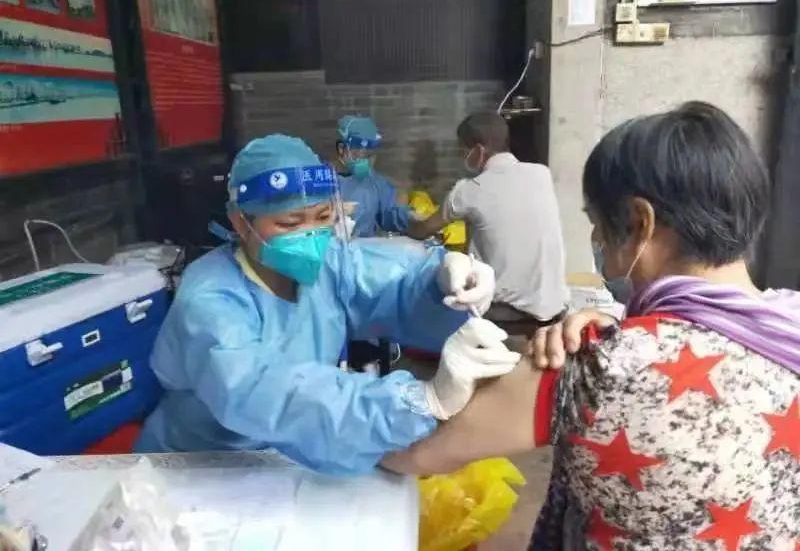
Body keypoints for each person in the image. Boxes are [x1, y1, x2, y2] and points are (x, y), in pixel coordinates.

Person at [383, 103, 800, 549]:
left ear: (640, 223)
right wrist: (630, 323)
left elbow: (413, 453)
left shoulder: (602, 367)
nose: (597, 240)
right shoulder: (789, 324)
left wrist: (429, 395)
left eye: (598, 224)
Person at [135, 134, 519, 475]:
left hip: (290, 451)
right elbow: (260, 390)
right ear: (240, 222)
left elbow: (391, 284)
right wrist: (417, 402)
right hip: (200, 467)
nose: (311, 235)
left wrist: (441, 281)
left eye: (322, 217)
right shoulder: (210, 297)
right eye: (289, 223)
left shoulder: (329, 265)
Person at [408, 112, 569, 338]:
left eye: (462, 151)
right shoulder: (542, 174)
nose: (462, 157)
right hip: (555, 311)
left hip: (504, 317)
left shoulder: (469, 190)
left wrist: (402, 222)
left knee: (434, 292)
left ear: (479, 151)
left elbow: (423, 230)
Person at [335, 116, 412, 238]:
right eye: (357, 152)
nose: (363, 158)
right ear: (341, 149)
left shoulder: (375, 183)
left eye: (368, 154)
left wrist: (407, 214)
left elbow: (393, 220)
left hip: (363, 248)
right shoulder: (321, 180)